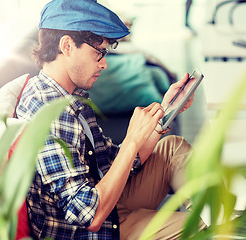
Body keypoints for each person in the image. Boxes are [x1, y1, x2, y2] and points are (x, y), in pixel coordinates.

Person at [14, 0, 198, 239]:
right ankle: (222, 226)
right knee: (194, 226)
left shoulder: (71, 96)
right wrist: (132, 140)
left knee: (172, 148)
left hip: (108, 199)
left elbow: (112, 162)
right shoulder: (50, 113)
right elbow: (90, 216)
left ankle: (223, 218)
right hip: (95, 230)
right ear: (67, 46)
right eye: (98, 53)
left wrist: (165, 111)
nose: (103, 63)